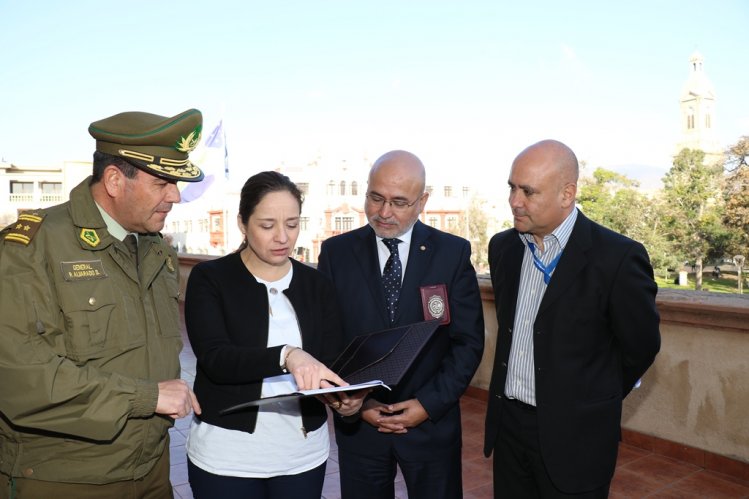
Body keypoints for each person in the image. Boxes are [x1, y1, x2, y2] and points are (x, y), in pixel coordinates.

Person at [0, 108, 205, 498]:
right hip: (66, 479)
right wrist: (148, 397)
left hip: (151, 470)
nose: (175, 196)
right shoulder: (32, 249)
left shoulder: (156, 252)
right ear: (114, 180)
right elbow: (18, 376)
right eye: (163, 182)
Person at [483, 139, 661, 498]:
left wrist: (589, 398)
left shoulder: (617, 258)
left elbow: (640, 347)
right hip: (510, 431)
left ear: (567, 194)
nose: (515, 201)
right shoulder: (503, 249)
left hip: (577, 439)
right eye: (512, 188)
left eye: (528, 191)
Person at [183, 171, 365, 499]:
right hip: (227, 458)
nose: (282, 237)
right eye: (267, 225)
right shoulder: (210, 278)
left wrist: (346, 401)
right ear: (242, 223)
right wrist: (287, 355)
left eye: (292, 224)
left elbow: (333, 360)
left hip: (302, 457)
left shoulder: (317, 284)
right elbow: (216, 359)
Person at [317, 150, 485, 499]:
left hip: (431, 425)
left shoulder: (451, 254)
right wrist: (357, 404)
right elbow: (326, 340)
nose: (383, 212)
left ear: (422, 201)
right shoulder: (336, 253)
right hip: (360, 426)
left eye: (398, 202)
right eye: (375, 198)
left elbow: (467, 343)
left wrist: (427, 405)